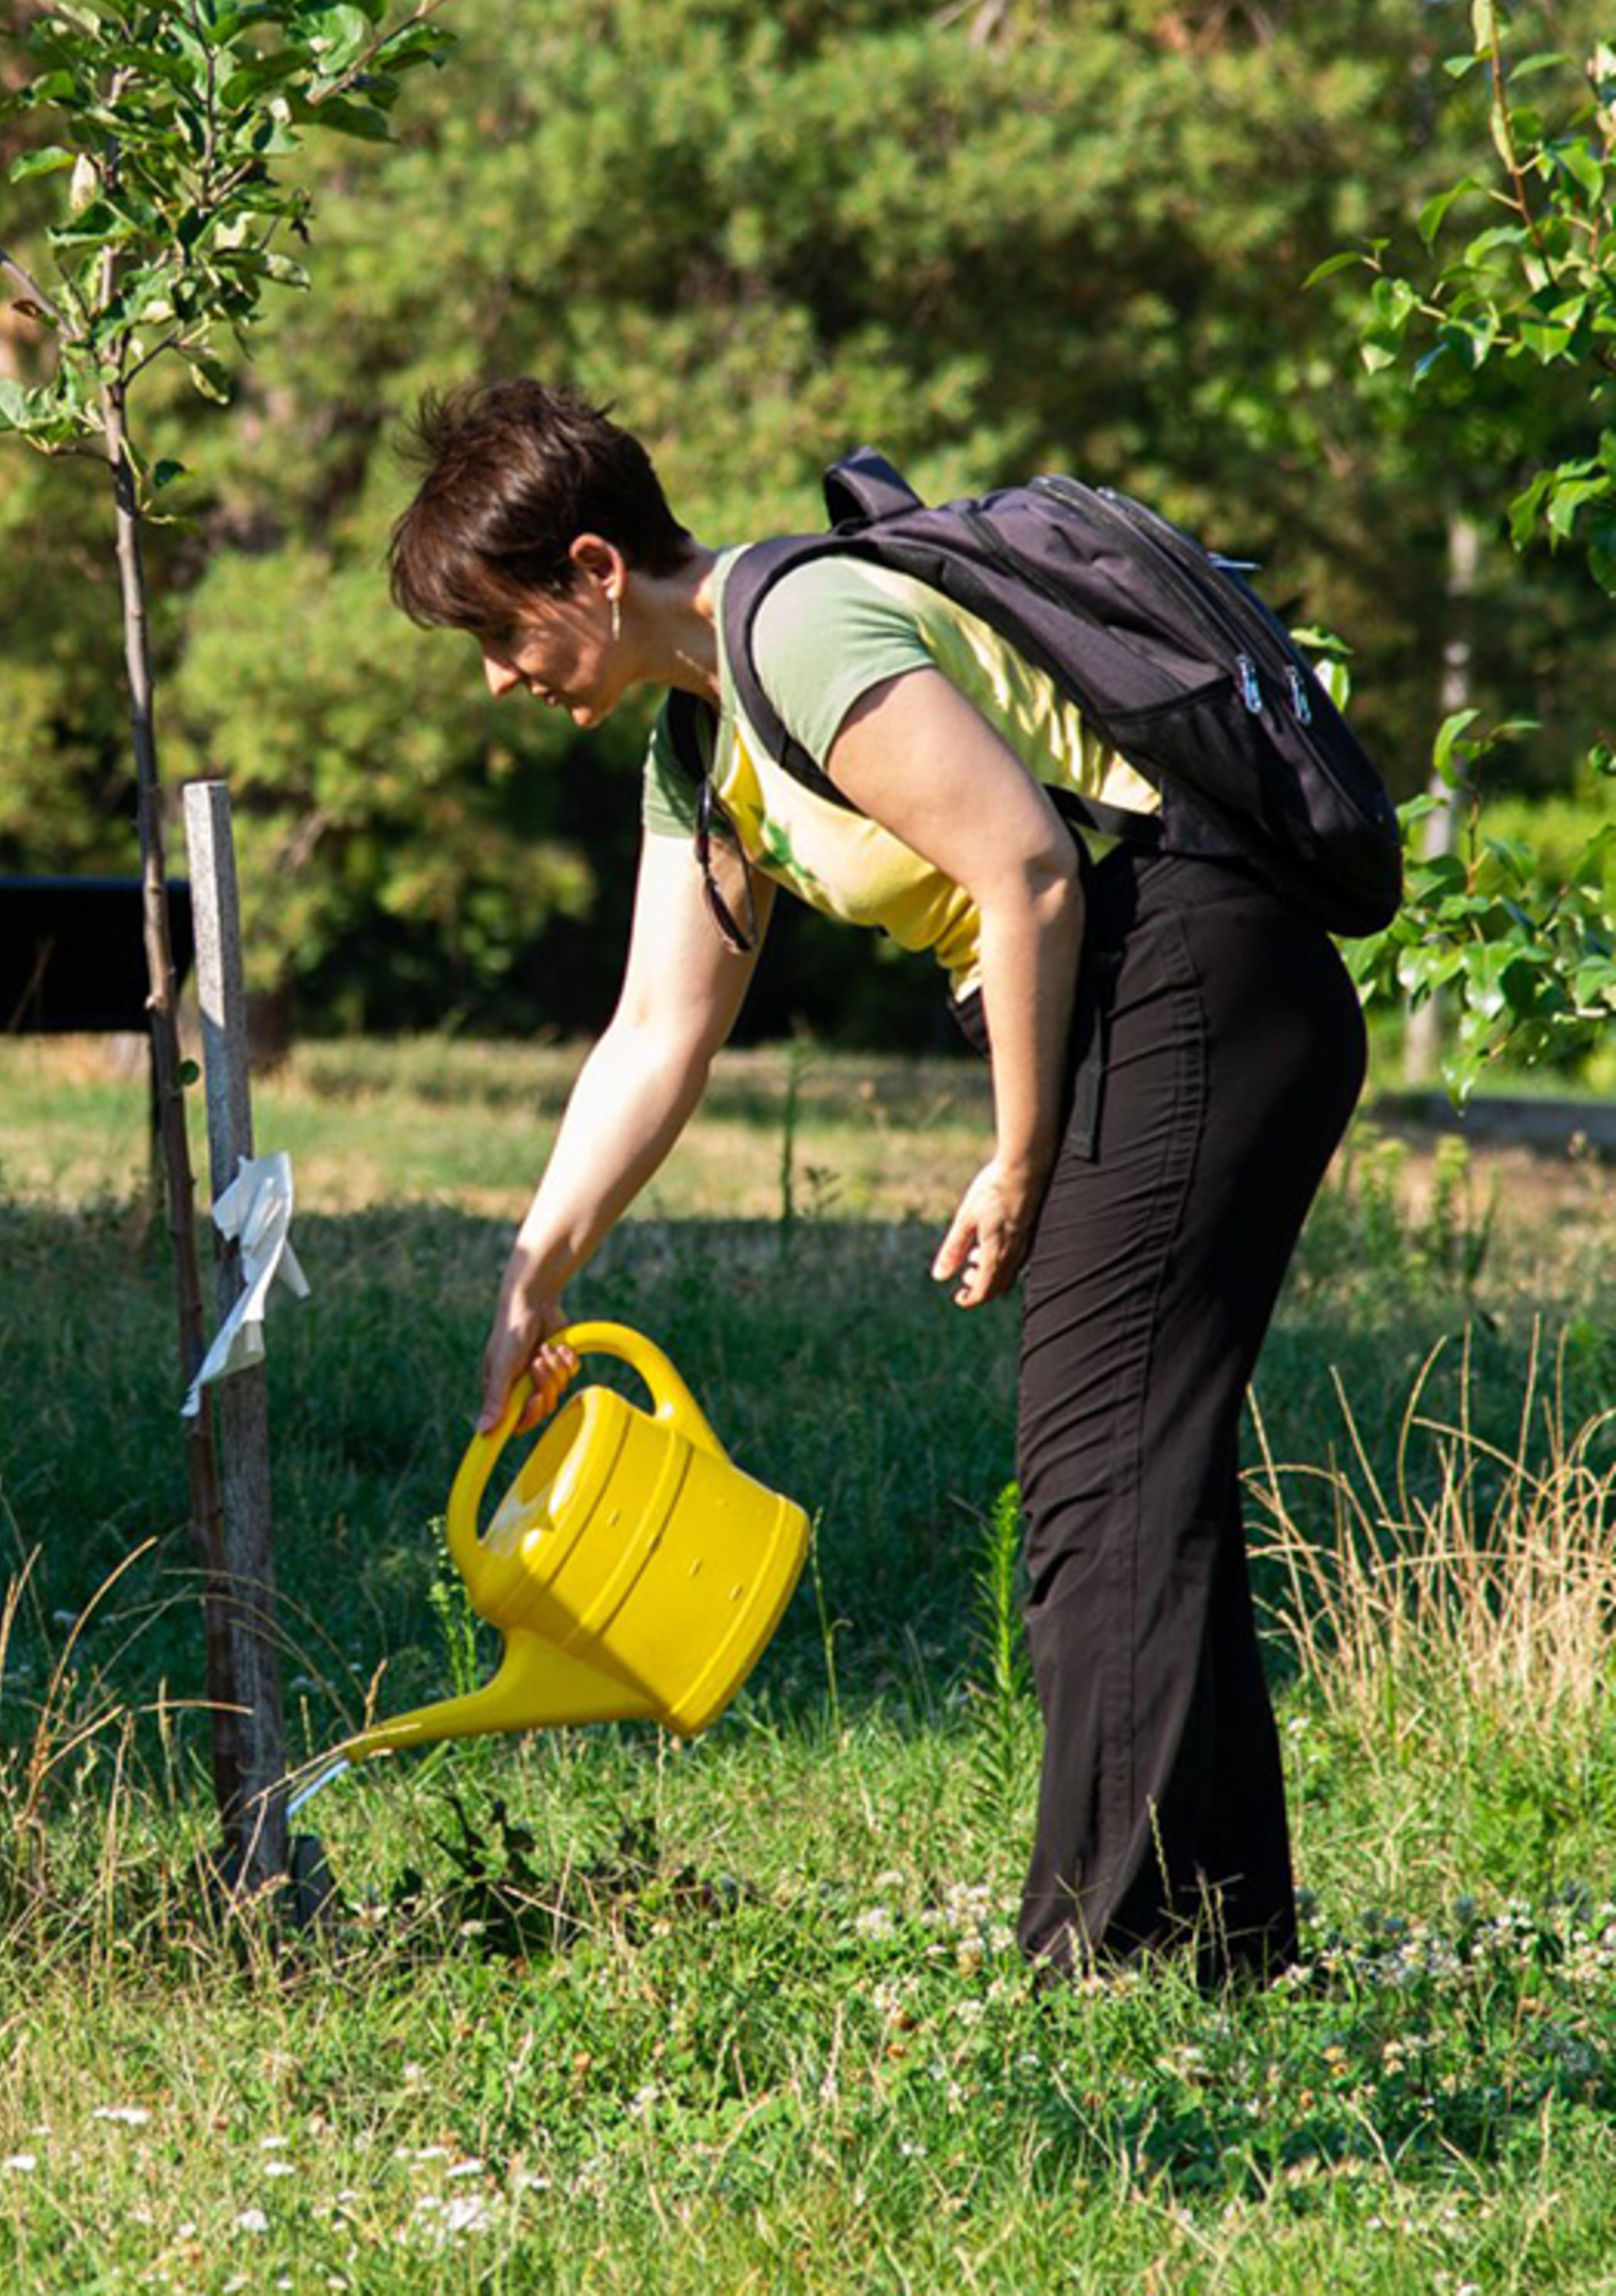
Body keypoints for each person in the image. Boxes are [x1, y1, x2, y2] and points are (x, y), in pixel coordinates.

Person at [387, 379, 1366, 1984]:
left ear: (589, 564)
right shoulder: (703, 740)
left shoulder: (803, 628)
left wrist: (1018, 1154)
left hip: (1186, 969)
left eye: (503, 633)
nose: (499, 680)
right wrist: (535, 1274)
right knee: (1136, 1479)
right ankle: (1225, 1948)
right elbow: (654, 1029)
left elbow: (1027, 869)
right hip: (1151, 991)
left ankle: (1107, 1969)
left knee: (1100, 1486)